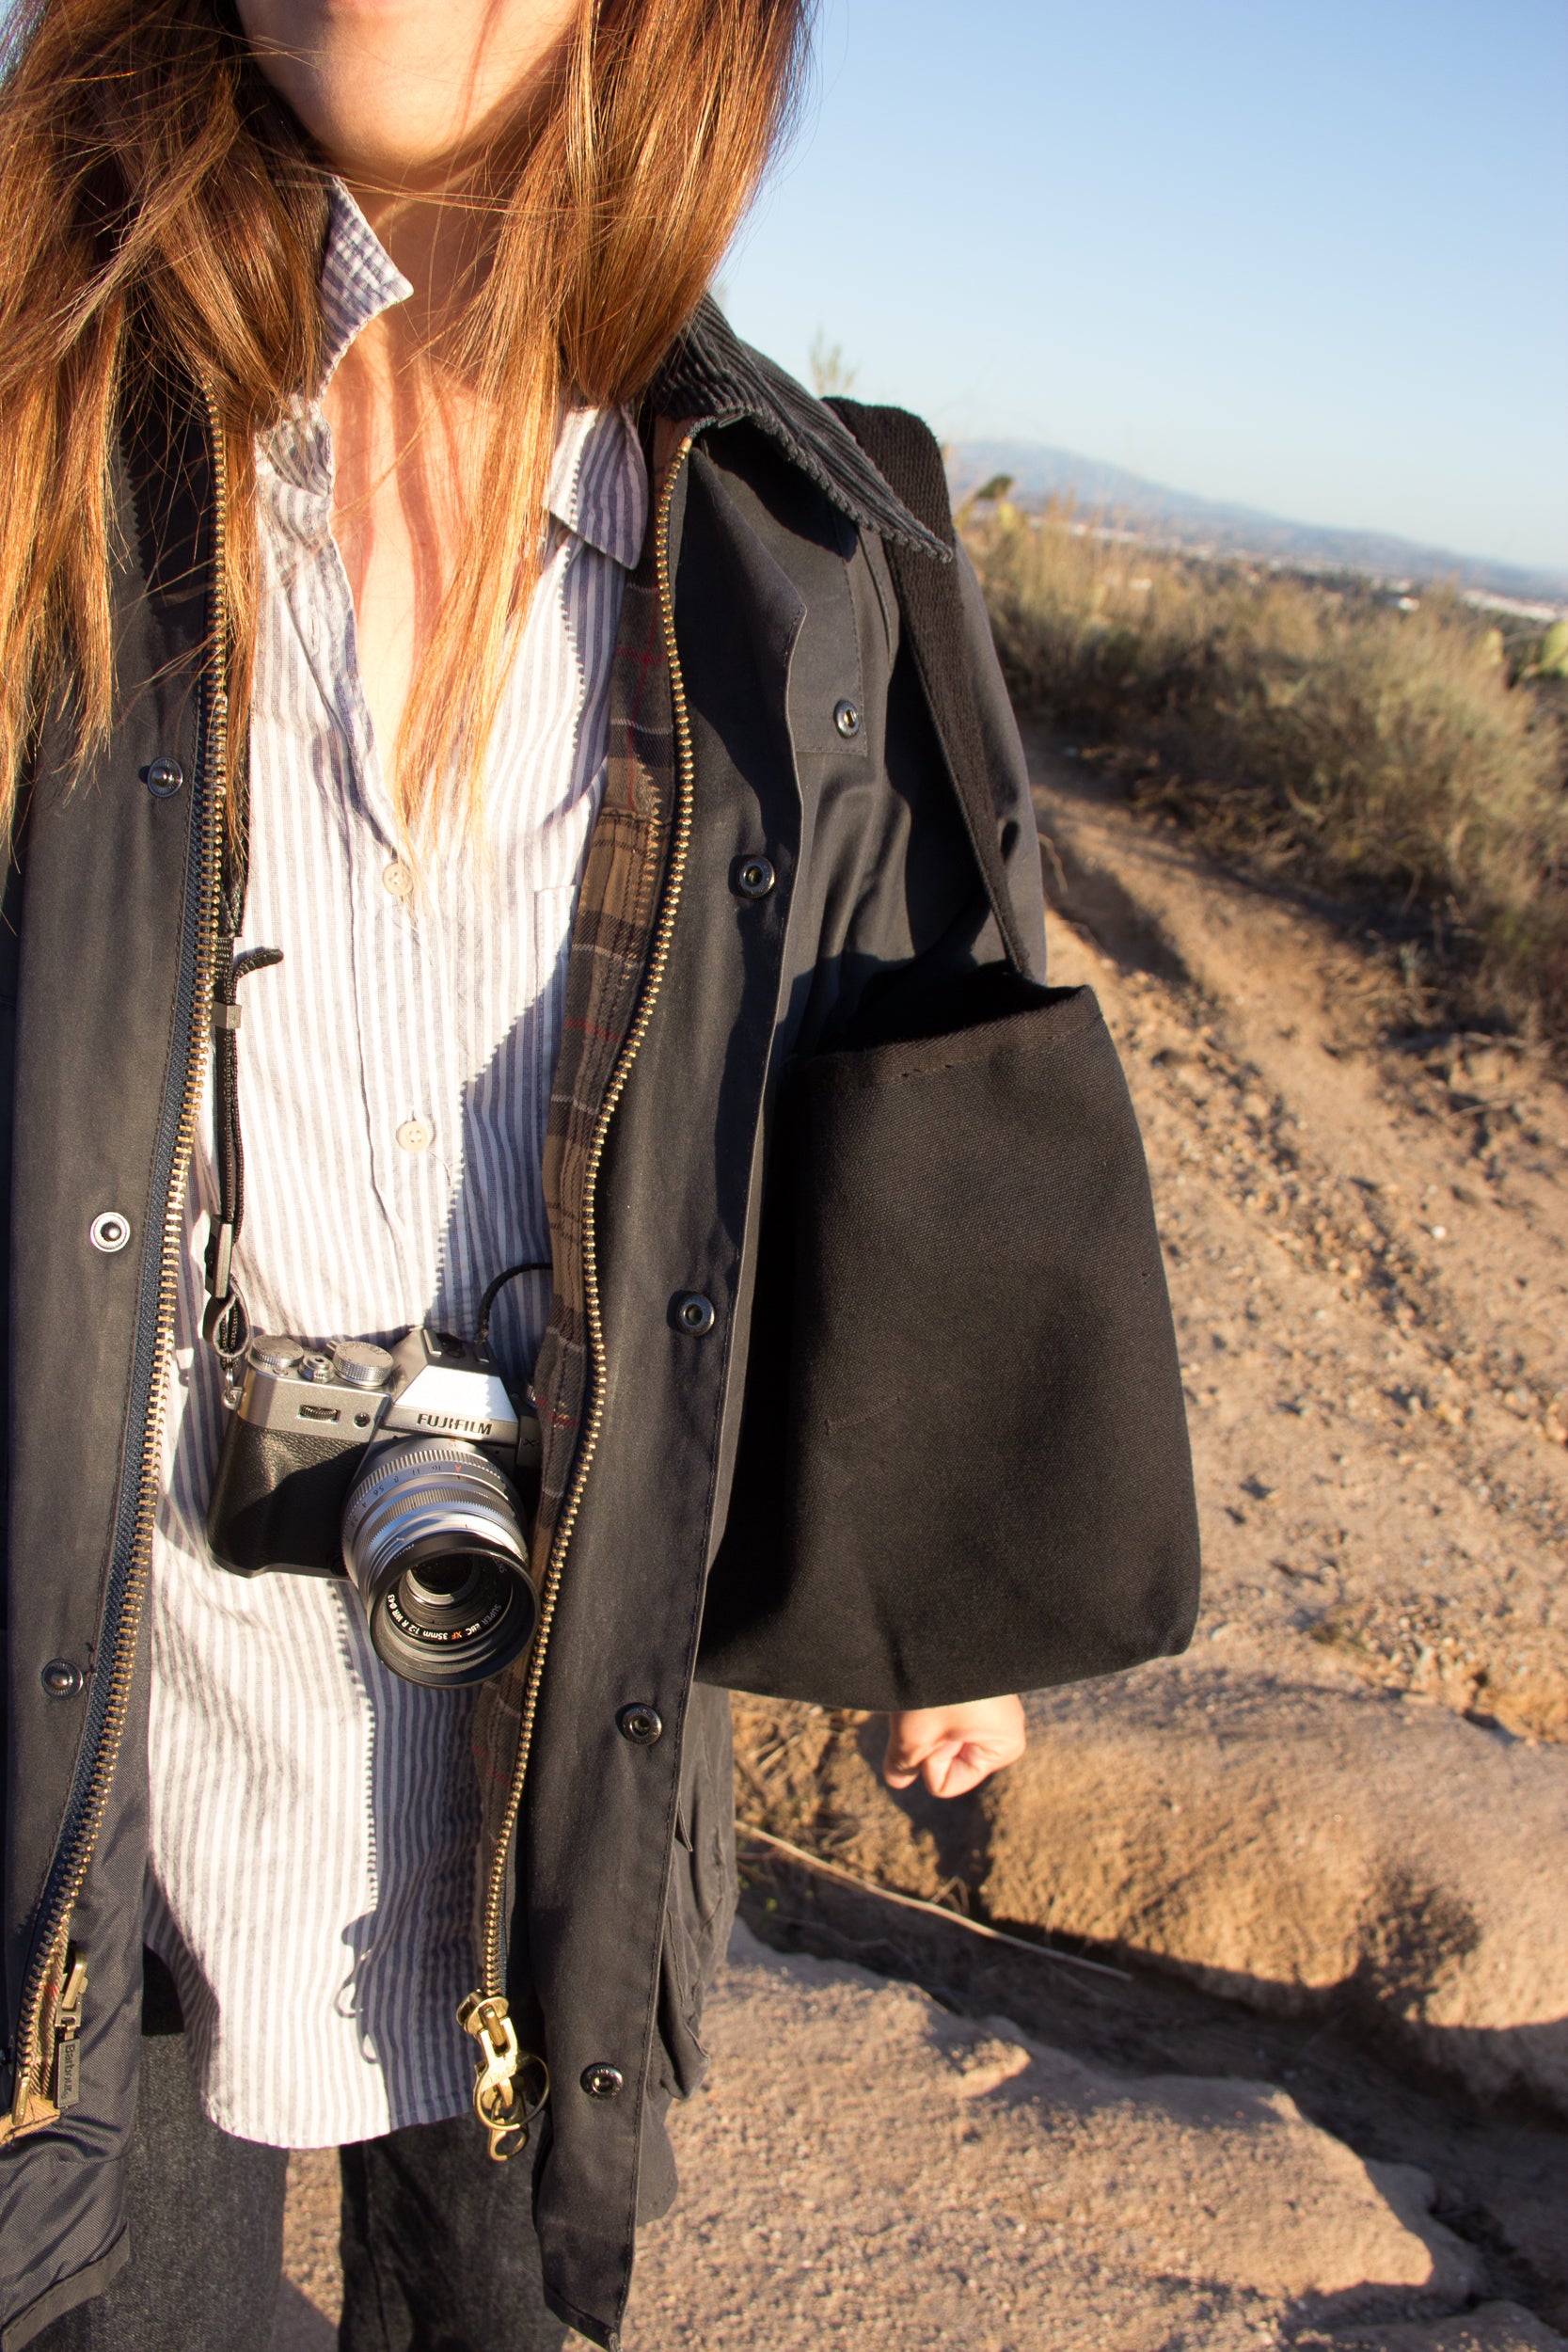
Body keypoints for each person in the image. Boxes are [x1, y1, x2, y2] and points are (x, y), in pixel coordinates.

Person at [0, 1, 1072, 2345]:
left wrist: (941, 1586)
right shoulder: (35, 417)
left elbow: (893, 1060)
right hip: (103, 1730)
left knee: (491, 2292)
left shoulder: (811, 532)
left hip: (557, 1721)